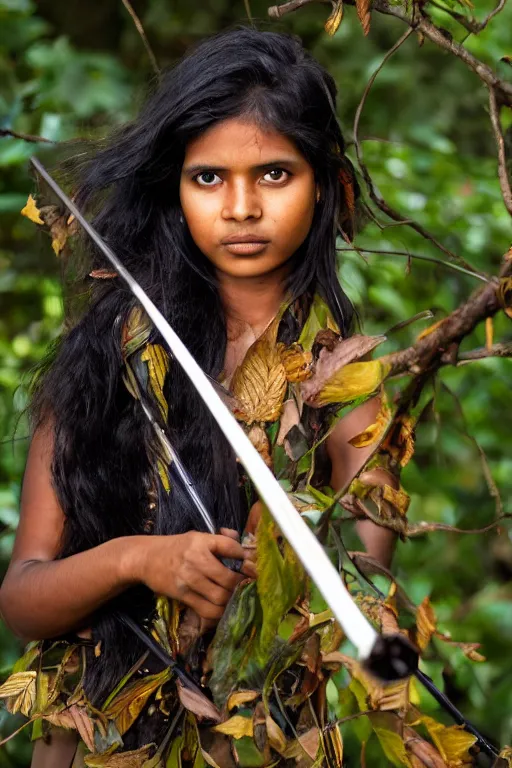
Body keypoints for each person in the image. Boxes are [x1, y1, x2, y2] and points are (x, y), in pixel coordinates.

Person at [0, 27, 401, 766]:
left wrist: (301, 587)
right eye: (209, 177)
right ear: (175, 188)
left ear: (326, 187)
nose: (242, 206)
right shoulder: (107, 357)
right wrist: (134, 560)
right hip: (96, 741)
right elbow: (23, 599)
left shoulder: (347, 385)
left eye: (275, 174)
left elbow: (363, 592)